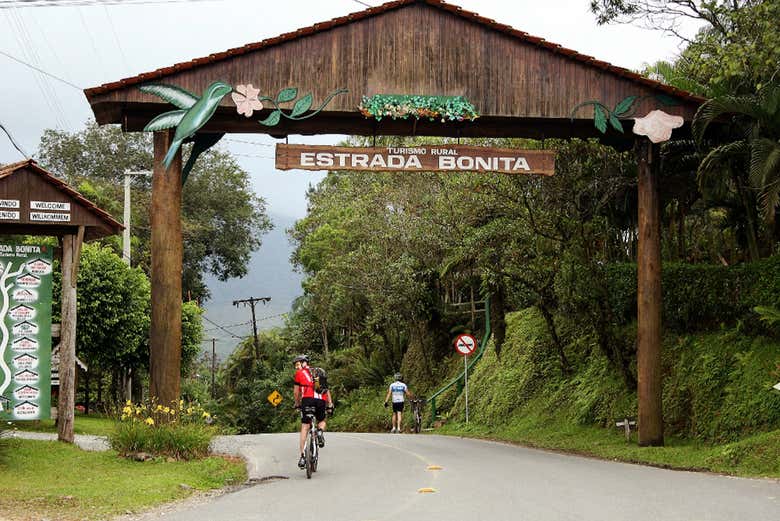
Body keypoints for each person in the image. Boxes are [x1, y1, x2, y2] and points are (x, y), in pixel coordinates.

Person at [292, 354, 328, 469]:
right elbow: (326, 390)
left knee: (305, 426)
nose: (296, 367)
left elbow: (296, 393)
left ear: (303, 363)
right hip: (321, 400)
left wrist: (297, 404)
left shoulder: (299, 373)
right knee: (321, 420)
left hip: (307, 400)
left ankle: (303, 456)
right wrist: (330, 404)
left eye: (298, 364)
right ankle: (320, 431)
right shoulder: (319, 372)